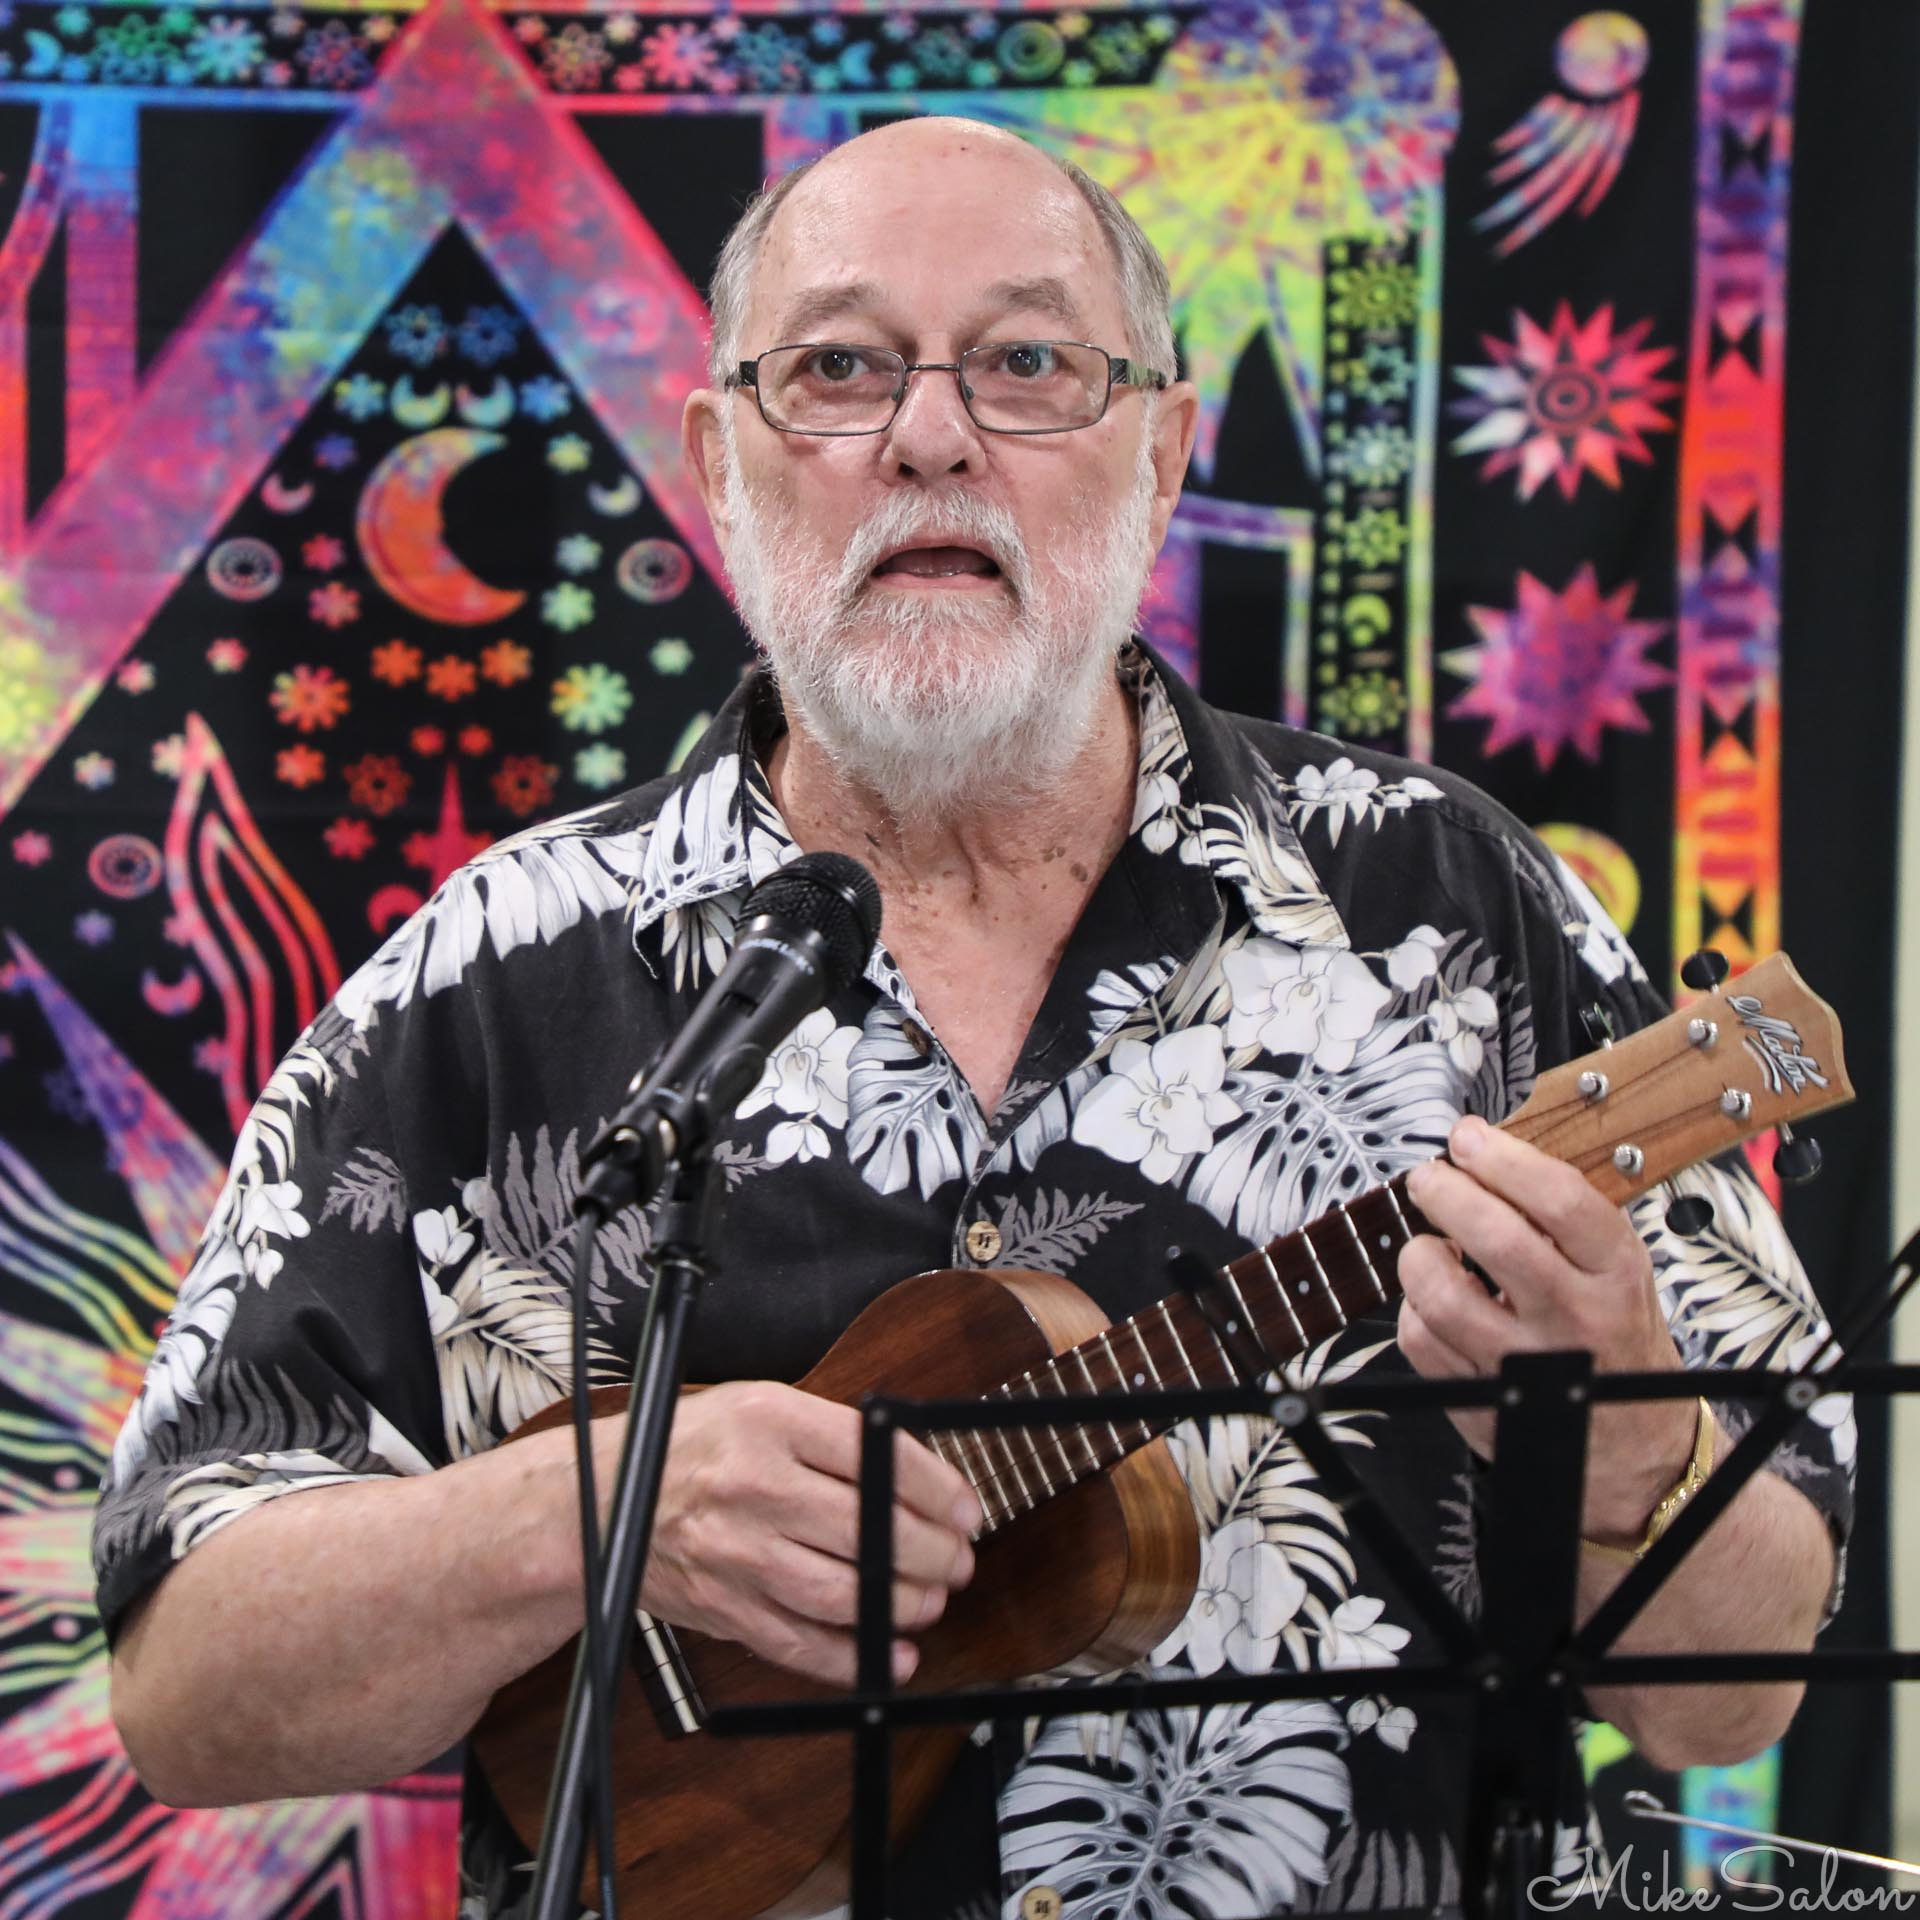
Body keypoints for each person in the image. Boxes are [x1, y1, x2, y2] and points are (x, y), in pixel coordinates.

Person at [95, 118, 1850, 1919]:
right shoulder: (494, 972)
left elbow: (1732, 1699)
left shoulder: (1453, 909)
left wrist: (1627, 1454)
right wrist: (596, 1515)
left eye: (1026, 365)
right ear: (718, 464)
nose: (929, 439)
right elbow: (184, 1698)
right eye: (838, 370)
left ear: (1164, 455)